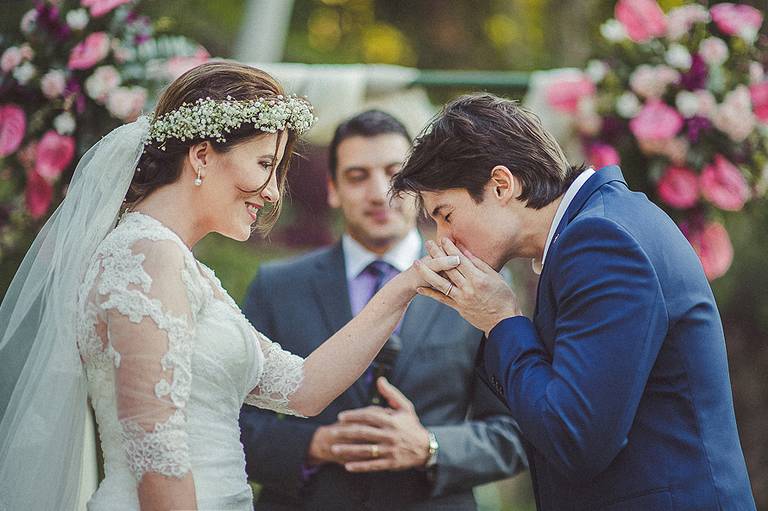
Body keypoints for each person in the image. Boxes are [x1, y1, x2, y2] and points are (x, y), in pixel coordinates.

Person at [0, 62, 461, 511]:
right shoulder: (145, 256)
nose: (273, 192)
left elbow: (305, 388)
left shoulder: (181, 266)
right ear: (202, 156)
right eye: (264, 163)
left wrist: (408, 284)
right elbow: (158, 455)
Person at [394, 93, 756, 511]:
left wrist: (501, 321)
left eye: (446, 214)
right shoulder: (596, 228)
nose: (443, 239)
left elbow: (576, 438)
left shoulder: (601, 241)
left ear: (501, 184)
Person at [239, 110, 526, 510]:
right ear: (333, 189)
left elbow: (516, 433)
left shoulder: (483, 284)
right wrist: (314, 445)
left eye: (395, 173)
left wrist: (429, 446)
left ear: (418, 185)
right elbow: (230, 420)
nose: (379, 193)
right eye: (358, 176)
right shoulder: (277, 287)